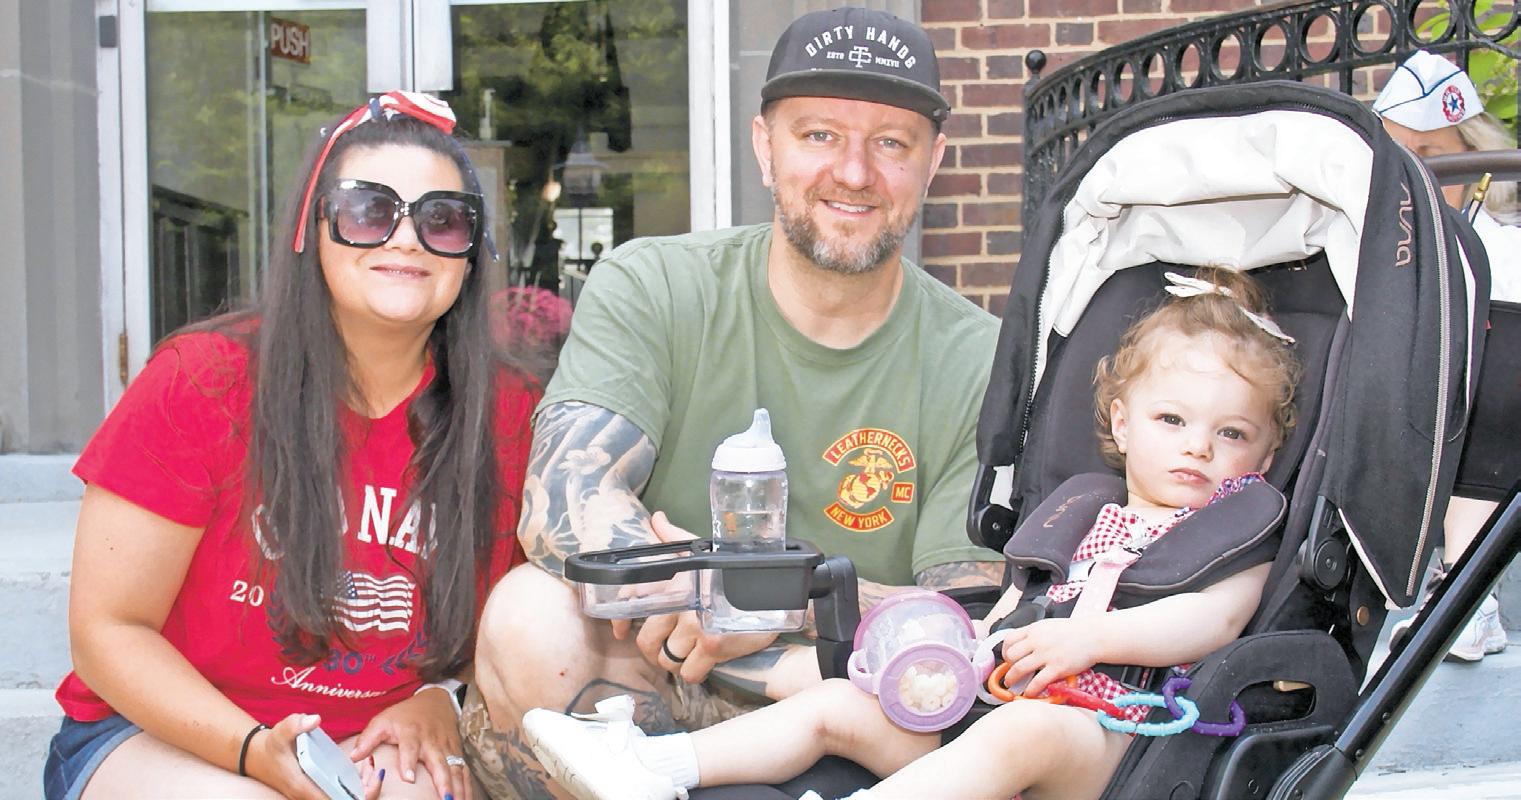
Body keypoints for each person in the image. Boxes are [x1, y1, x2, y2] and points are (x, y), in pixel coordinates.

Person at [464, 7, 1002, 797]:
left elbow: (966, 614)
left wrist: (763, 604)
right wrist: (706, 595)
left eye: (891, 142)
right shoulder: (654, 284)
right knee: (529, 617)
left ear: (933, 161)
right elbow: (564, 497)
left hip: (845, 698)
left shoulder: (981, 358)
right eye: (818, 134)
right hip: (658, 678)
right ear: (763, 146)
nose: (854, 172)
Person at [518, 266, 1302, 800]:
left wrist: (1091, 639)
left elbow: (1213, 621)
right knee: (838, 703)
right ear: (1122, 425)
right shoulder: (1082, 511)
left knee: (1026, 730)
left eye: (1231, 433)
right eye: (1172, 420)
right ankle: (652, 765)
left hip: (1112, 741)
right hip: (990, 709)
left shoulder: (1234, 535)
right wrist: (973, 647)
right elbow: (1014, 605)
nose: (1198, 448)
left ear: (1265, 455)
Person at [42, 92, 539, 800]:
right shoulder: (204, 380)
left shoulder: (510, 412)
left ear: (471, 252)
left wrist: (443, 696)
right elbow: (108, 630)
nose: (406, 239)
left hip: (371, 735)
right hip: (167, 731)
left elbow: (515, 621)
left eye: (442, 219)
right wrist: (252, 751)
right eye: (369, 211)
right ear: (314, 226)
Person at [1373, 50, 1513, 661]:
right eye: (1404, 159)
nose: (1422, 177)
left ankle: (1465, 595)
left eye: (1435, 157)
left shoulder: (1511, 246)